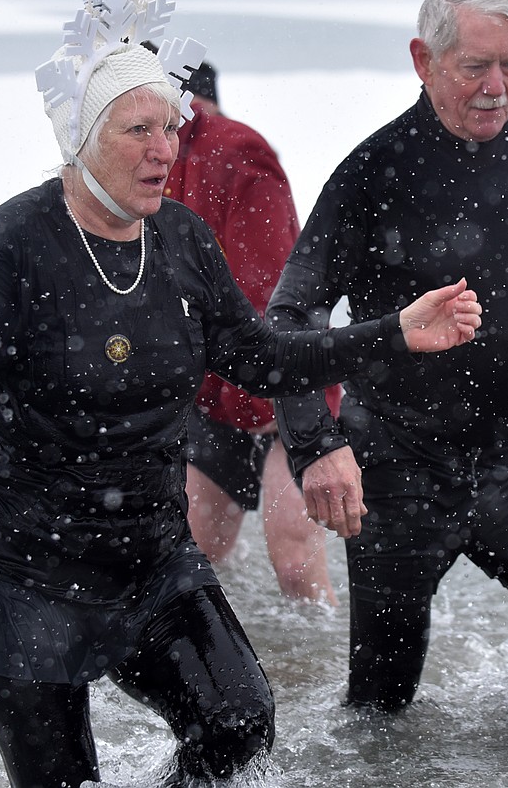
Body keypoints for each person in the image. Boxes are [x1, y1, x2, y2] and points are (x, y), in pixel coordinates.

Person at [0, 0, 482, 788]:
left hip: (146, 552)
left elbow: (263, 357)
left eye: (169, 127)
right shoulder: (17, 239)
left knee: (239, 723)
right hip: (19, 569)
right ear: (81, 137)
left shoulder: (181, 240)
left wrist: (392, 334)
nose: (164, 149)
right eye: (138, 130)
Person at [267, 0, 508, 721]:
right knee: (381, 705)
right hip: (398, 463)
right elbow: (292, 314)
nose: (496, 89)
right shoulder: (374, 172)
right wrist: (315, 445)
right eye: (474, 68)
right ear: (422, 59)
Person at [159, 52, 341, 603]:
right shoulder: (158, 162)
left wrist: (275, 393)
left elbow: (274, 289)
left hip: (281, 385)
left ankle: (323, 679)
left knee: (293, 561)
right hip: (214, 392)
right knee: (194, 554)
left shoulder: (237, 151)